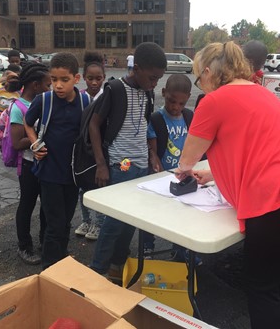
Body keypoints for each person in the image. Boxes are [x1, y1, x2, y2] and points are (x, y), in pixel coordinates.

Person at [174, 41, 280, 329]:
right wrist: (215, 175)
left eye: (198, 78)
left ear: (207, 72)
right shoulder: (261, 93)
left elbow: (187, 160)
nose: (200, 85)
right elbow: (260, 150)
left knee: (262, 287)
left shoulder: (214, 101)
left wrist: (185, 170)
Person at [89, 42, 167, 281]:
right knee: (113, 222)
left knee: (130, 221)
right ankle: (97, 270)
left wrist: (152, 155)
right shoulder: (114, 89)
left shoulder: (148, 92)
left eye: (158, 79)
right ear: (138, 68)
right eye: (152, 78)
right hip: (120, 166)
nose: (155, 83)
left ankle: (116, 266)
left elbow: (144, 126)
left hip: (141, 165)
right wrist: (101, 164)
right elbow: (93, 124)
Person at [24, 52, 85, 269]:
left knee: (66, 220)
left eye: (64, 80)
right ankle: (50, 267)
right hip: (49, 172)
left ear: (76, 79)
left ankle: (62, 258)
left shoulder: (85, 102)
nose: (58, 85)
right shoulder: (44, 100)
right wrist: (35, 144)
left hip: (72, 174)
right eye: (54, 80)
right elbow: (28, 122)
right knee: (54, 223)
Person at [144, 73, 194, 259]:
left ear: (188, 99)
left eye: (181, 104)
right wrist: (154, 159)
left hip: (182, 176)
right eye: (172, 101)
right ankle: (147, 245)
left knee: (182, 214)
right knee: (151, 213)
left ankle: (180, 249)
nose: (175, 107)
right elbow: (153, 149)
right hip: (161, 175)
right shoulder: (156, 118)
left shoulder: (189, 116)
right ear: (164, 93)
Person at [7, 62, 51, 265]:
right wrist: (42, 137)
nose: (49, 88)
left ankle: (45, 242)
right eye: (47, 84)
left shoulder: (44, 103)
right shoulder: (18, 108)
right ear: (35, 85)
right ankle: (24, 246)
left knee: (46, 207)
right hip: (28, 166)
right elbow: (17, 142)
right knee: (27, 205)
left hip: (45, 164)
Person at [75, 52, 106, 241]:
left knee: (99, 189)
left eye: (98, 78)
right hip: (82, 152)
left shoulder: (106, 96)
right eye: (90, 78)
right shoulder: (80, 98)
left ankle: (98, 224)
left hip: (100, 151)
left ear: (103, 77)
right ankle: (86, 220)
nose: (94, 83)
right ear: (84, 78)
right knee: (83, 189)